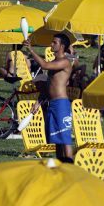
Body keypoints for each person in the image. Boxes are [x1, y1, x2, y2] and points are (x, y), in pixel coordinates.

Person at [24, 34, 73, 162]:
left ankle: (71, 169)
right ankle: (60, 167)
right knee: (57, 139)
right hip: (52, 104)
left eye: (54, 42)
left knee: (65, 139)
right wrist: (38, 102)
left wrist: (31, 50)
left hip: (62, 104)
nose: (51, 44)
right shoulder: (54, 63)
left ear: (62, 46)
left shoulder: (65, 62)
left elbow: (44, 65)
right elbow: (48, 86)